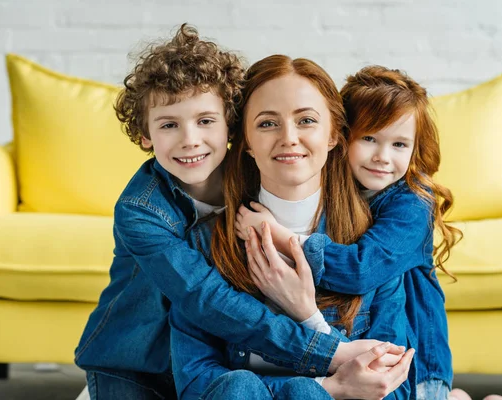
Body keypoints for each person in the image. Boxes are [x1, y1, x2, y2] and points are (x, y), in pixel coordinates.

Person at [74, 25, 398, 399]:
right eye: (168, 125)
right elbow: (206, 299)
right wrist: (332, 352)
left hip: (208, 358)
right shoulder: (141, 211)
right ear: (145, 135)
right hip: (135, 363)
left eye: (205, 121)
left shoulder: (262, 169)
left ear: (231, 126)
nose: (190, 139)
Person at [238, 66, 502, 400]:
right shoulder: (342, 191)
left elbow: (359, 269)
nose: (382, 157)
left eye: (399, 144)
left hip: (417, 366)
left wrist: (276, 234)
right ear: (342, 136)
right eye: (369, 139)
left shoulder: (411, 202)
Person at [170, 54, 415, 400]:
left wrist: (310, 317)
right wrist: (325, 388)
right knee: (239, 388)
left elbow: (391, 387)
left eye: (306, 121)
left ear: (333, 136)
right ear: (247, 144)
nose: (289, 137)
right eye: (268, 124)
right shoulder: (203, 243)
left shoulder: (374, 243)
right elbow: (197, 385)